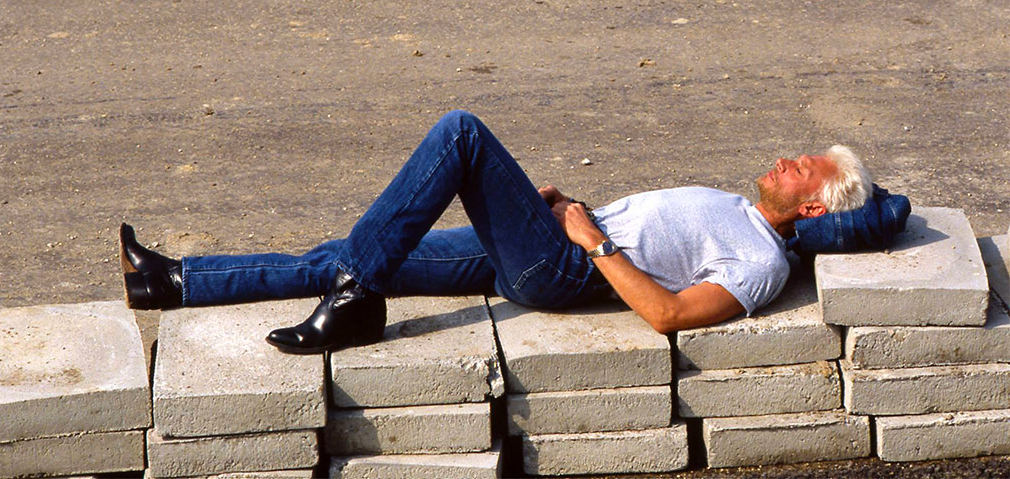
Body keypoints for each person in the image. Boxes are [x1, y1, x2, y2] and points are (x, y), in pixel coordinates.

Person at [119, 109, 872, 354]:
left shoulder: (761, 263)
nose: (783, 160)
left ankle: (356, 298)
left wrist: (591, 241)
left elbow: (669, 315)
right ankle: (173, 281)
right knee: (354, 255)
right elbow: (652, 235)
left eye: (800, 167)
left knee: (461, 135)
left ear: (813, 209)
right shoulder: (738, 212)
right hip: (554, 243)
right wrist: (572, 207)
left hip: (563, 271)